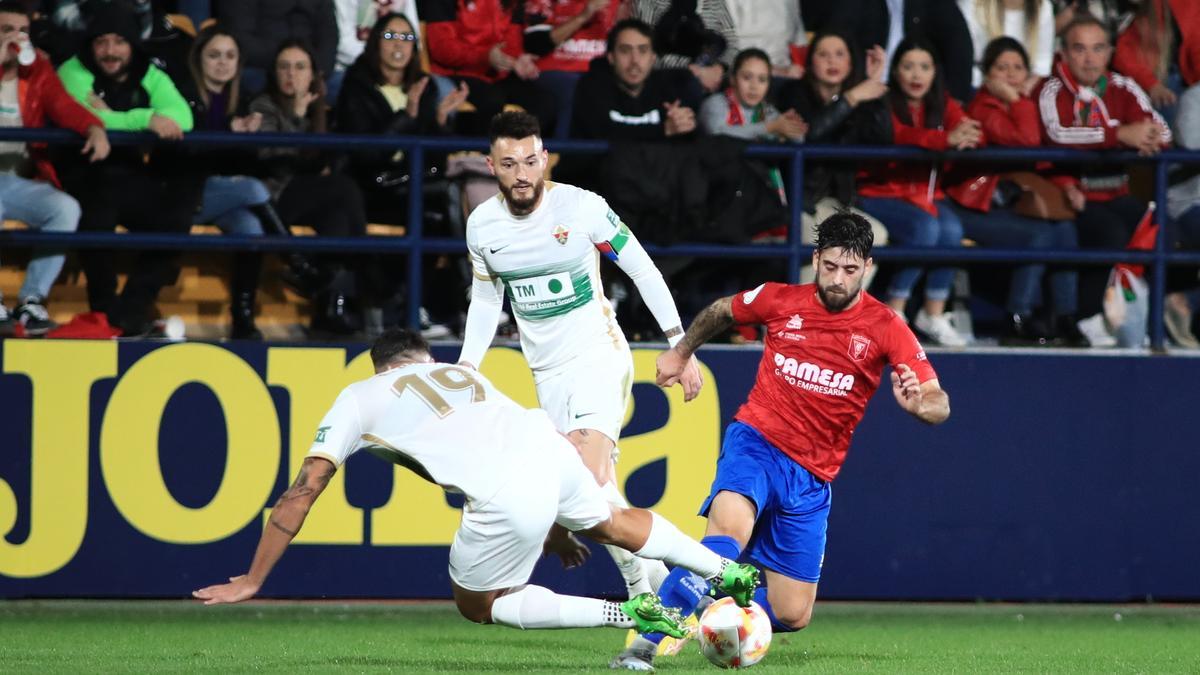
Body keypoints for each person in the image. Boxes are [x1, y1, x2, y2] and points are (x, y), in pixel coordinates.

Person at [193, 328, 760, 637]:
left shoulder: (360, 395)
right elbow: (516, 448)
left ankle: (628, 612)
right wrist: (556, 524)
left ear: (380, 368)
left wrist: (253, 577)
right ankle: (725, 568)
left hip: (507, 488)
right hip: (549, 449)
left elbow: (303, 490)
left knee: (480, 605)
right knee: (614, 522)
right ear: (421, 358)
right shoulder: (459, 373)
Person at [611, 210, 951, 671]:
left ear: (867, 268)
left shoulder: (885, 326)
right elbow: (721, 310)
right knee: (726, 536)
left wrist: (919, 406)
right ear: (815, 259)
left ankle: (701, 612)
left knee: (793, 612)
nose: (837, 279)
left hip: (811, 478)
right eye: (829, 266)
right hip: (756, 443)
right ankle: (644, 645)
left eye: (850, 270)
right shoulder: (779, 299)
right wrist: (681, 350)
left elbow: (937, 400)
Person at [457, 111, 705, 618]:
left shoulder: (582, 208)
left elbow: (640, 266)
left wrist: (680, 344)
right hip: (545, 375)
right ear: (492, 167)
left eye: (531, 161)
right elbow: (487, 301)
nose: (523, 174)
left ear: (545, 158)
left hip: (597, 355)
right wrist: (467, 367)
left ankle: (645, 593)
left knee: (586, 482)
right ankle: (670, 587)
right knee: (593, 498)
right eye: (509, 164)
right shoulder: (482, 226)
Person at [56, 1, 198, 336]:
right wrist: (145, 119)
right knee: (97, 222)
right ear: (90, 45)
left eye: (119, 42)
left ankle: (128, 312)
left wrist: (115, 121)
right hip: (84, 173)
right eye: (101, 42)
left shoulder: (148, 73)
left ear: (132, 45)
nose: (110, 51)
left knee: (174, 219)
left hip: (130, 174)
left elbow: (183, 118)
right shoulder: (72, 70)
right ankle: (104, 313)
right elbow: (86, 117)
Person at [1036, 14, 1170, 347]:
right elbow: (1057, 135)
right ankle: (1086, 316)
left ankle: (1157, 315)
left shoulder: (1123, 86)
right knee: (1110, 232)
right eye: (1079, 49)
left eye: (1097, 49)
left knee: (1163, 229)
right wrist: (1119, 134)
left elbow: (1163, 131)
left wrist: (1146, 136)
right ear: (1063, 54)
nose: (1089, 58)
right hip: (1070, 198)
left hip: (1118, 194)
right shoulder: (1050, 89)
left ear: (1109, 52)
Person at [945, 36, 1081, 345]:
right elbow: (1028, 141)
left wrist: (1065, 186)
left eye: (1017, 67)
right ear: (987, 73)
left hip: (1009, 203)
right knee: (1040, 236)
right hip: (972, 206)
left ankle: (1065, 319)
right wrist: (1016, 99)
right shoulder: (984, 105)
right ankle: (1016, 319)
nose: (1010, 74)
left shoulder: (1033, 106)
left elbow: (1044, 161)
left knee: (1065, 229)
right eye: (1002, 67)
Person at [856, 37, 981, 347]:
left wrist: (969, 135)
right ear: (896, 71)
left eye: (924, 67)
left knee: (952, 228)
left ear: (935, 72)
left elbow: (971, 127)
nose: (916, 75)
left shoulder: (944, 103)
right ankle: (894, 311)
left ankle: (933, 312)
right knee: (925, 227)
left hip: (924, 198)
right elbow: (898, 135)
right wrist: (945, 140)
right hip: (879, 193)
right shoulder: (882, 102)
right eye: (908, 66)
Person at [0, 0, 107, 336]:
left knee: (65, 208)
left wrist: (92, 126)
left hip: (18, 180)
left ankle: (31, 301)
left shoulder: (38, 72)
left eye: (22, 31)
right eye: (6, 30)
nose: (16, 38)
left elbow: (63, 106)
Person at [250, 39, 369, 336]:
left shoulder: (321, 111)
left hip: (306, 195)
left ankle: (329, 311)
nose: (292, 75)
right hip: (272, 196)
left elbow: (321, 161)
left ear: (313, 75)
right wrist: (296, 117)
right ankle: (362, 280)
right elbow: (272, 157)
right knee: (344, 190)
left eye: (300, 67)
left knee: (339, 218)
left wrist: (310, 116)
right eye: (284, 67)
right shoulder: (262, 106)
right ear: (274, 73)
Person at [180, 24, 275, 340]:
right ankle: (300, 262)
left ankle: (242, 317)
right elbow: (185, 156)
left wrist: (245, 142)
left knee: (252, 229)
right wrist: (228, 138)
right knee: (254, 189)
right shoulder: (185, 94)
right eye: (215, 55)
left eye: (230, 56)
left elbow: (244, 165)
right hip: (187, 195)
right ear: (200, 59)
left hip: (224, 198)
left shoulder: (243, 100)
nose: (223, 62)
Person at [776, 31, 891, 287]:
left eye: (840, 54)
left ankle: (836, 318)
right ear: (810, 61)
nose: (832, 61)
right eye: (823, 54)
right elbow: (809, 134)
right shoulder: (792, 92)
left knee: (876, 235)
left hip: (836, 202)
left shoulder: (859, 97)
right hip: (798, 203)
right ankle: (802, 319)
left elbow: (883, 138)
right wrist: (852, 98)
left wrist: (873, 85)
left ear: (851, 63)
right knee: (815, 243)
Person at [423, 0, 555, 134]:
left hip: (497, 75)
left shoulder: (513, 3)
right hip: (455, 73)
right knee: (492, 102)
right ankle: (481, 153)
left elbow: (511, 43)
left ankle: (522, 153)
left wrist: (516, 60)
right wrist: (485, 56)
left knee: (546, 102)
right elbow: (442, 49)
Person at [569, 18, 700, 141]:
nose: (635, 61)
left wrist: (683, 125)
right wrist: (663, 130)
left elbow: (689, 144)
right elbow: (603, 134)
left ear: (653, 58)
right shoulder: (591, 86)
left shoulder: (669, 88)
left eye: (642, 51)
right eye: (625, 51)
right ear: (611, 57)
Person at [522, 0, 620, 138]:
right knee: (577, 87)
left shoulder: (618, 4)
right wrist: (582, 17)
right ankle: (564, 153)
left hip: (599, 72)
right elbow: (535, 44)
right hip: (554, 71)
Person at [699, 48, 807, 142]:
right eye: (747, 77)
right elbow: (717, 134)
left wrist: (793, 127)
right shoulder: (715, 103)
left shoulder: (766, 111)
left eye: (762, 80)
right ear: (732, 79)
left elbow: (799, 141)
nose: (754, 86)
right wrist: (769, 128)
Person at [631, 0, 737, 94]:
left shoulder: (716, 2)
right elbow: (645, 51)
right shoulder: (647, 2)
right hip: (670, 85)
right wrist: (696, 71)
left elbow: (732, 44)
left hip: (715, 83)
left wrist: (718, 69)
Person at [957, 0, 1056, 86]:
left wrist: (1020, 94)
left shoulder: (1042, 6)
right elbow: (963, 60)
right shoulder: (973, 4)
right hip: (979, 85)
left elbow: (1042, 65)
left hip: (1024, 87)